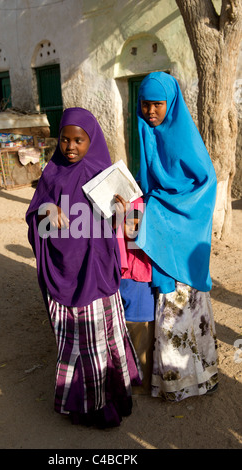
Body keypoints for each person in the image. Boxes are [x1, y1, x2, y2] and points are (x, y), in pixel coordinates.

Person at [26, 107, 142, 427]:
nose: (71, 147)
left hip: (98, 268)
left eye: (79, 140)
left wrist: (122, 211)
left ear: (92, 140)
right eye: (65, 140)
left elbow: (124, 224)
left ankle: (116, 394)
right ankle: (89, 406)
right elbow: (35, 214)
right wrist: (46, 211)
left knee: (105, 336)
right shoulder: (52, 173)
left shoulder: (102, 173)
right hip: (66, 270)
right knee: (81, 343)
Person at [135, 72, 218, 401]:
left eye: (158, 105)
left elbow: (205, 184)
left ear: (171, 104)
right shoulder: (145, 131)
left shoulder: (184, 138)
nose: (151, 111)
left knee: (181, 306)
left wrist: (159, 209)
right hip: (161, 231)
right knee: (168, 309)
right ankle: (173, 380)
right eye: (145, 105)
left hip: (181, 238)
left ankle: (193, 380)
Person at [116, 196, 156, 394]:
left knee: (137, 333)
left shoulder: (138, 201)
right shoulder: (138, 200)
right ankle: (134, 380)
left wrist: (120, 218)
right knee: (134, 332)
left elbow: (134, 233)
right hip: (130, 276)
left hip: (136, 275)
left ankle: (138, 383)